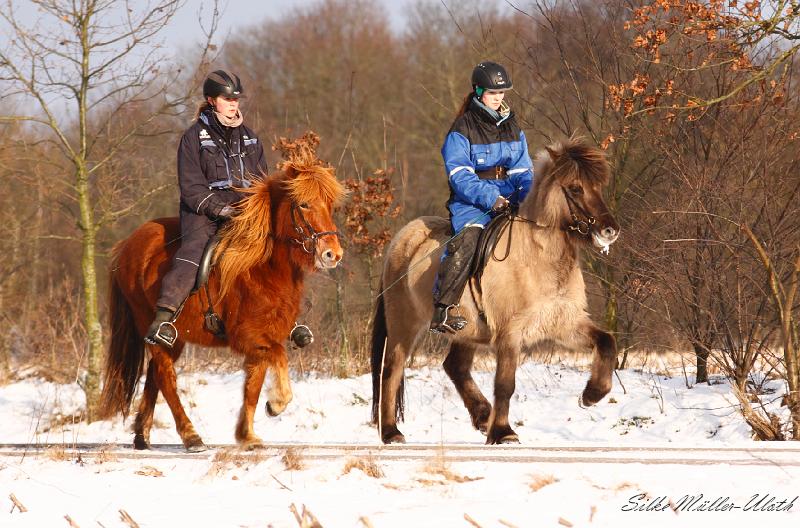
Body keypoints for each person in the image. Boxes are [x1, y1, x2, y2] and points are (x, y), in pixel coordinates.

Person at [145, 69, 313, 349]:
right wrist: (221, 209)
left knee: (280, 248)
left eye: (236, 99)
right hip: (202, 214)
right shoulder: (193, 138)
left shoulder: (250, 138)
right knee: (194, 252)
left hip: (245, 214)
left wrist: (257, 211)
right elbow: (191, 188)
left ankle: (290, 319)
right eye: (227, 99)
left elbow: (261, 182)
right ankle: (165, 317)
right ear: (212, 101)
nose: (233, 104)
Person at [430, 61, 534, 334]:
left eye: (501, 92)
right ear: (478, 92)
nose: (498, 98)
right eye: (492, 92)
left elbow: (523, 170)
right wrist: (491, 198)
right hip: (472, 202)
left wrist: (529, 197)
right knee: (468, 239)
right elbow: (460, 176)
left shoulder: (513, 126)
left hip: (510, 197)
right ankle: (444, 308)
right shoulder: (461, 129)